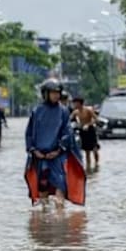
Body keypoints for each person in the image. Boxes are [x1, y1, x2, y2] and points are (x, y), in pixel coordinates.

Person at [24, 79, 86, 209]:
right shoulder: (37, 111)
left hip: (57, 157)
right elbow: (29, 133)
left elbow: (67, 133)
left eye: (57, 93)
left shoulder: (63, 111)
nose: (56, 95)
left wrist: (58, 150)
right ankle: (44, 223)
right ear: (45, 94)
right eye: (53, 93)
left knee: (60, 187)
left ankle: (60, 220)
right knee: (42, 192)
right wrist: (34, 150)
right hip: (40, 157)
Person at [71, 96, 100, 170]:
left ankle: (96, 164)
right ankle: (88, 166)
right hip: (82, 131)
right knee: (87, 150)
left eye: (76, 103)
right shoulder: (76, 112)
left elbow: (96, 119)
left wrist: (88, 124)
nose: (74, 105)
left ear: (80, 103)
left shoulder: (88, 110)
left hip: (90, 130)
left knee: (94, 149)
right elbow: (69, 119)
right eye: (74, 103)